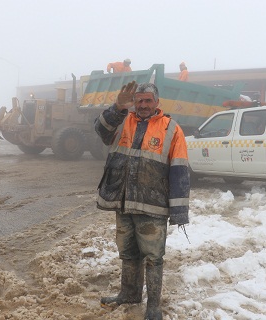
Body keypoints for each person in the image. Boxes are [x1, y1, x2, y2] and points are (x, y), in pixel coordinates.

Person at [95, 81, 190, 319]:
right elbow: (101, 130)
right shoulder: (123, 120)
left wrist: (179, 212)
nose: (143, 105)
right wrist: (117, 106)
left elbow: (180, 171)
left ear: (157, 103)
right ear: (134, 102)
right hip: (124, 200)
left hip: (153, 206)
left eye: (148, 101)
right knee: (128, 252)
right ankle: (129, 293)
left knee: (153, 257)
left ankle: (154, 306)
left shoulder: (171, 129)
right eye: (139, 101)